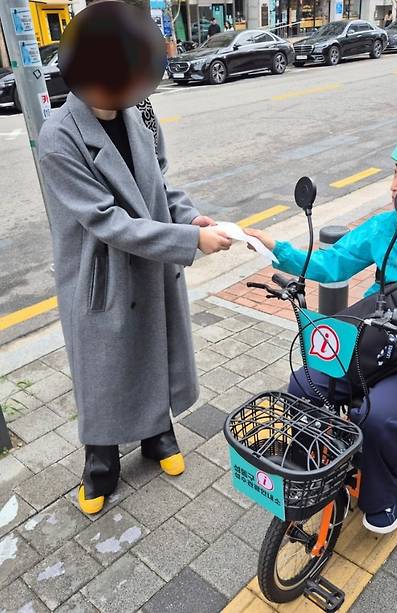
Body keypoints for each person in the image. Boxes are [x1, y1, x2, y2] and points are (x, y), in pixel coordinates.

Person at [246, 127, 397, 534]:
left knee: (378, 415)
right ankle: (310, 468)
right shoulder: (384, 227)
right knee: (304, 384)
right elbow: (334, 264)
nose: (393, 186)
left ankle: (385, 498)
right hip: (377, 337)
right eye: (394, 173)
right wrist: (275, 247)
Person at [38, 1, 233, 515]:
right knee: (102, 369)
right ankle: (100, 459)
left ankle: (156, 432)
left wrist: (190, 219)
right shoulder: (59, 137)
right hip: (100, 273)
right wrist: (188, 243)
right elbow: (106, 221)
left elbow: (162, 182)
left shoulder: (139, 111)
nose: (130, 92)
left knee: (156, 346)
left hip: (153, 257)